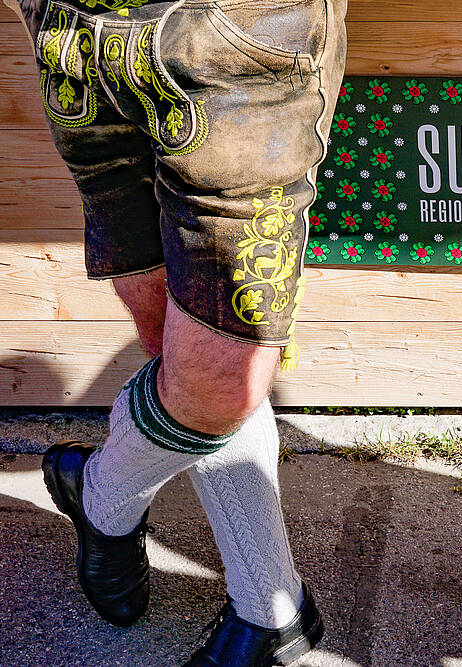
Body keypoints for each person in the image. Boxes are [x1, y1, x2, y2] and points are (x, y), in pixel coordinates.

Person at [3, 0, 347, 662]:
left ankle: (101, 494)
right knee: (168, 332)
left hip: (242, 33)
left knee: (219, 374)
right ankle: (272, 608)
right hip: (74, 33)